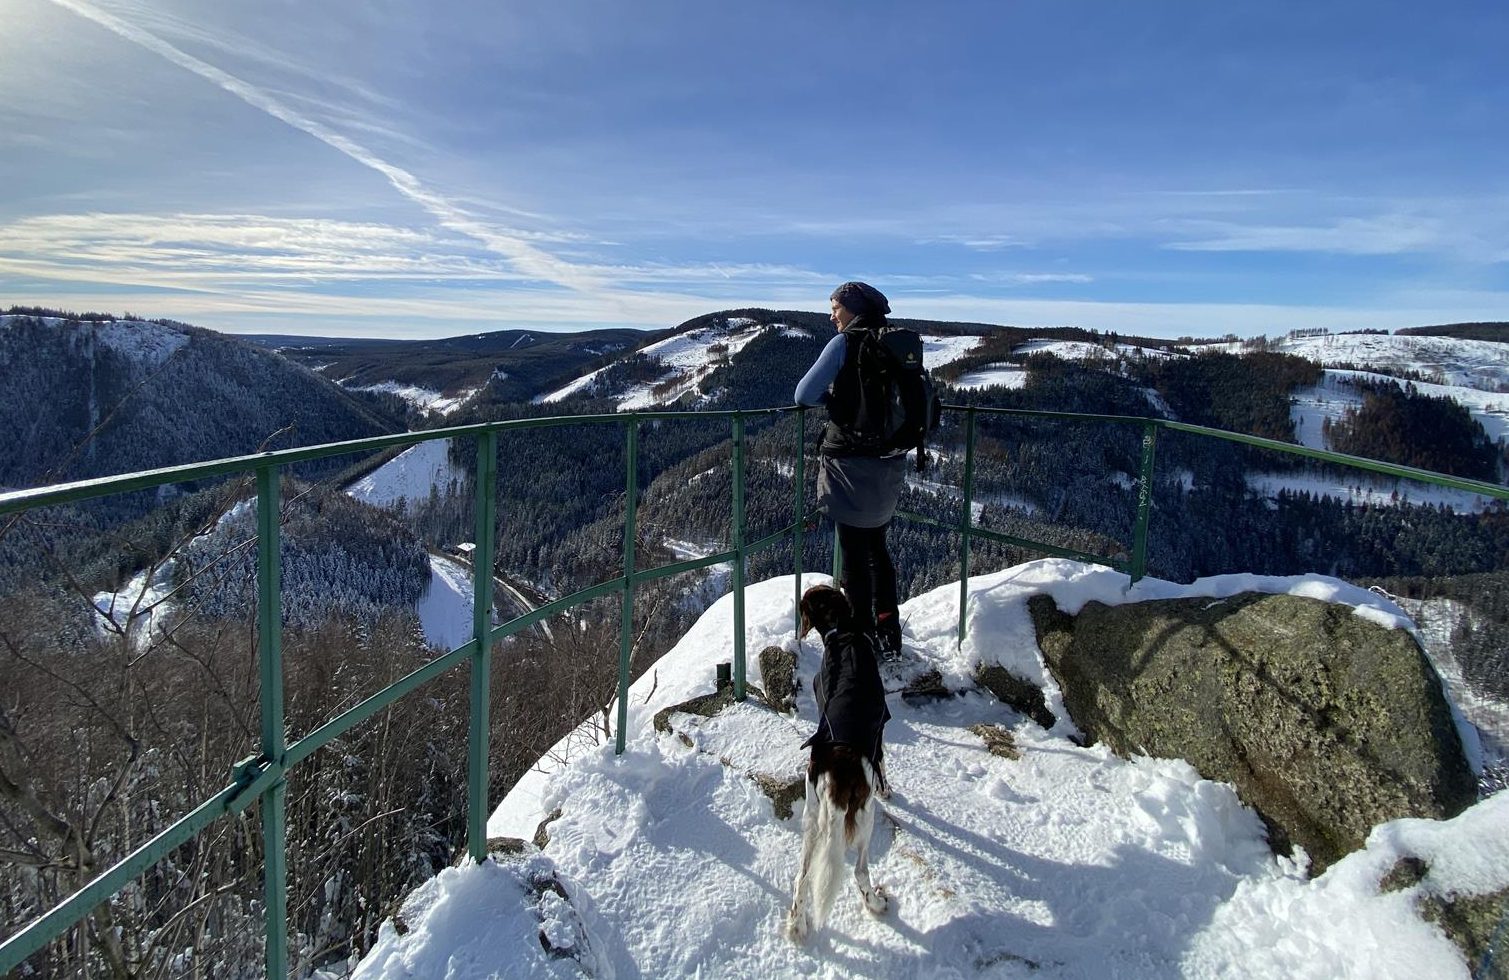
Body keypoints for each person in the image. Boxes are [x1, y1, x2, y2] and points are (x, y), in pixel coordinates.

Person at [794, 281, 907, 654]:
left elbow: (803, 394)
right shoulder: (896, 340)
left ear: (853, 309)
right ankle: (889, 632)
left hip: (850, 464)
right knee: (877, 547)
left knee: (853, 555)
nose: (831, 317)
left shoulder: (846, 343)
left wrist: (834, 399)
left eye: (836, 309)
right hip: (890, 462)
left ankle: (859, 642)